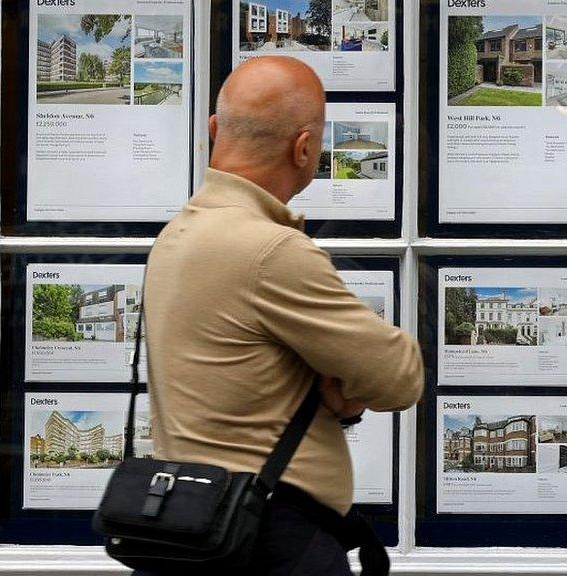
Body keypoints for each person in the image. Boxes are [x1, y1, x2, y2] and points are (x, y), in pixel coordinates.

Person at [137, 56, 424, 575]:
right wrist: (338, 384)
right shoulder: (271, 251)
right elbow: (400, 376)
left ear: (213, 130)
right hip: (267, 539)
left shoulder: (176, 237)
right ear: (305, 148)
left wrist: (321, 379)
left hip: (188, 524)